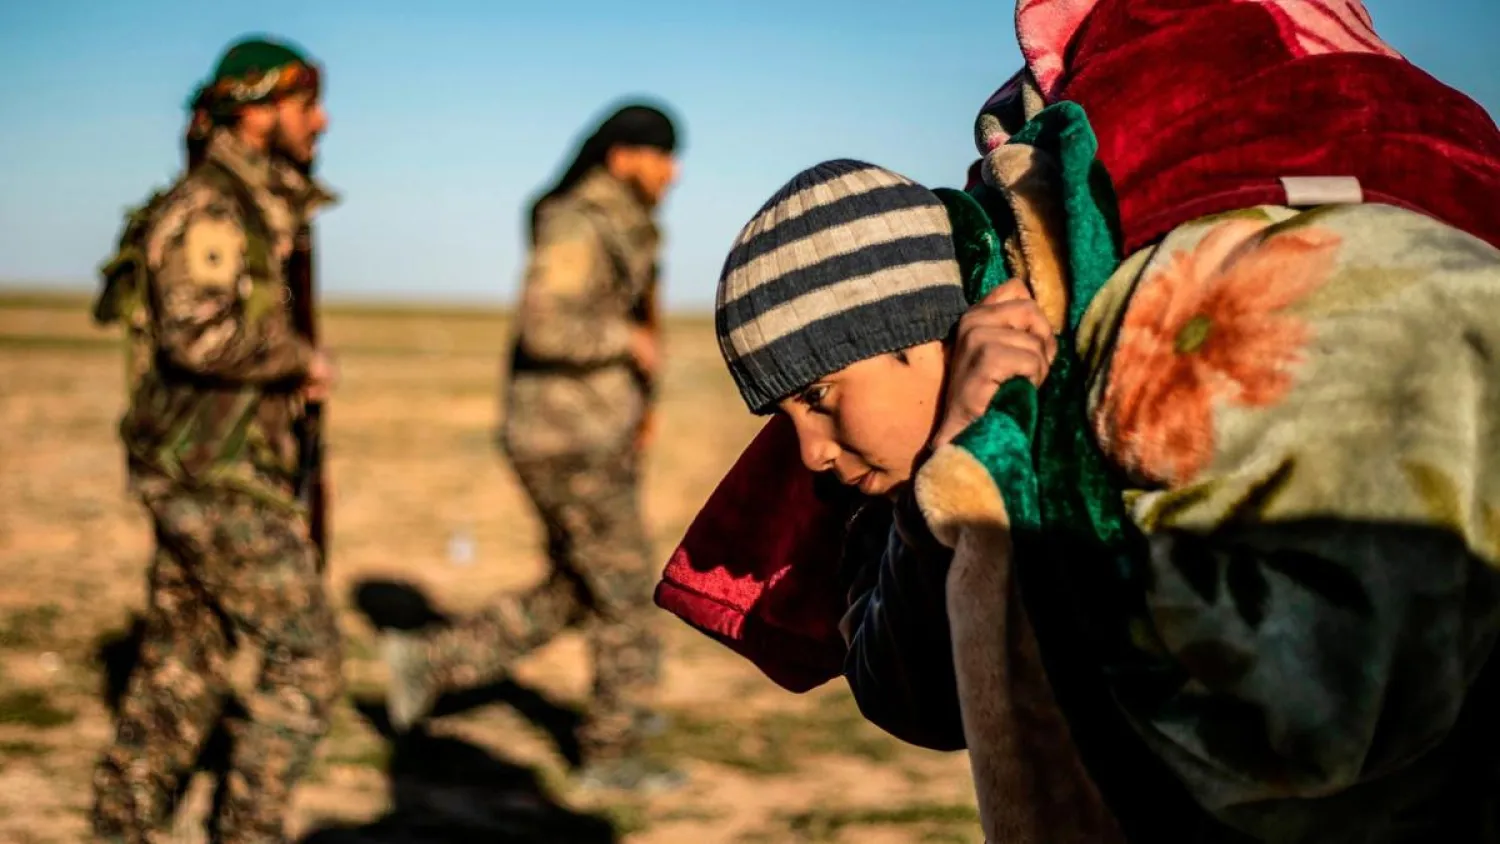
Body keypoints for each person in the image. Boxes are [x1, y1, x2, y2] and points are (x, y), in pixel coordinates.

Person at [713, 143, 1500, 842]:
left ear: (922, 336)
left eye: (819, 396)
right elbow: (906, 699)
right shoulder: (885, 511)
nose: (810, 453)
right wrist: (940, 495)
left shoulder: (1112, 386)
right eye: (785, 418)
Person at [384, 101, 681, 791]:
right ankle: (613, 754)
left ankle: (429, 663)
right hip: (567, 436)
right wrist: (627, 343)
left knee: (577, 588)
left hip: (588, 429)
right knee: (625, 590)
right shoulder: (579, 222)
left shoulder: (621, 225)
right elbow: (546, 328)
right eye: (663, 153)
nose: (673, 171)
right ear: (623, 155)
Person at [91, 35, 342, 843]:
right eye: (306, 107)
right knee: (308, 656)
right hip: (213, 475)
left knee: (182, 668)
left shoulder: (257, 203)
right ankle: (248, 830)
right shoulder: (213, 205)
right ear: (257, 111)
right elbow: (195, 336)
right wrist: (299, 357)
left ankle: (118, 824)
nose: (322, 122)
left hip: (212, 469)